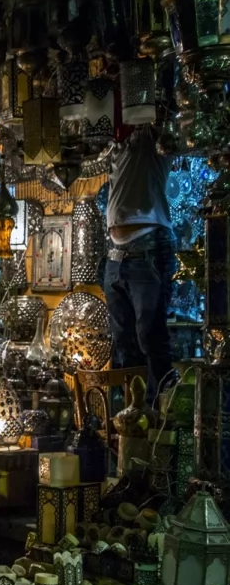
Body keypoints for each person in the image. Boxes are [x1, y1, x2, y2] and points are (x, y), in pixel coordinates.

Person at [103, 123, 176, 401]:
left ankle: (158, 411)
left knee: (150, 337)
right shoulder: (115, 147)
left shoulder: (150, 136)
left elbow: (164, 112)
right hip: (116, 256)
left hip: (149, 248)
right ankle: (134, 413)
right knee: (124, 343)